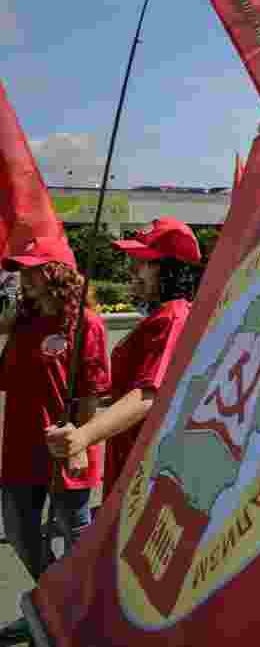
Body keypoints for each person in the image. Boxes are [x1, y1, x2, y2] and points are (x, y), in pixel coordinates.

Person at [46, 217, 202, 502]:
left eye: (143, 262)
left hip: (149, 472)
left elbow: (148, 395)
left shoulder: (173, 318)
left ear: (172, 270)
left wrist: (83, 437)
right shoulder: (163, 316)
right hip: (133, 461)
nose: (132, 269)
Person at [0, 236, 111, 582]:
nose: (25, 278)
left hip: (66, 448)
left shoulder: (86, 323)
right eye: (22, 271)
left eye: (33, 271)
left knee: (76, 534)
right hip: (20, 449)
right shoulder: (22, 322)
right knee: (19, 532)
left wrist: (79, 442)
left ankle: (82, 603)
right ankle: (55, 595)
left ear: (57, 273)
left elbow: (92, 394)